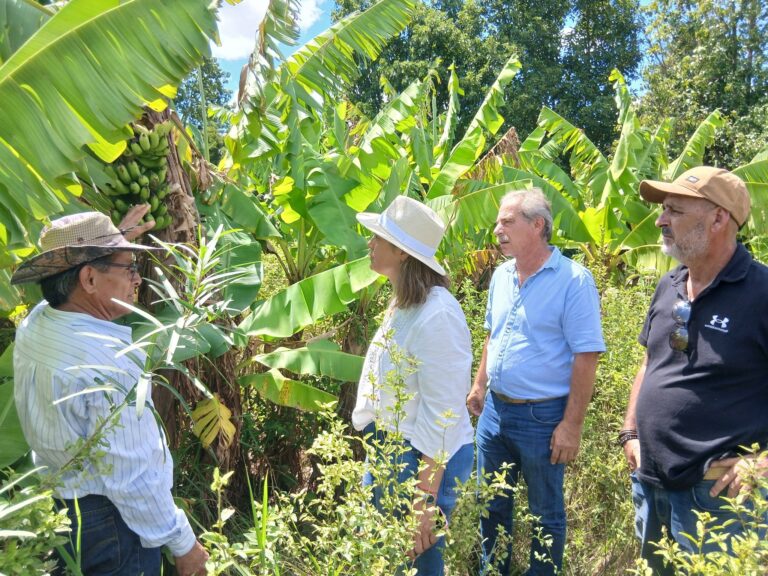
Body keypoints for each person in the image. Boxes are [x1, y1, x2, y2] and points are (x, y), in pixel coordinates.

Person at [12, 206, 208, 576]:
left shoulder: (38, 323)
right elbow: (131, 476)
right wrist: (184, 544)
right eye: (129, 269)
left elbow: (69, 288)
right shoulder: (107, 365)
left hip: (60, 512)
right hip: (111, 524)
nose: (137, 279)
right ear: (87, 279)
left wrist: (112, 248)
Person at [621, 166, 768, 574]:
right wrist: (630, 431)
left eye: (675, 210)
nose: (660, 220)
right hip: (650, 483)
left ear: (719, 218)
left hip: (717, 497)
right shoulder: (670, 284)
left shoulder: (761, 293)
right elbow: (650, 361)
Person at [466, 188, 605, 576]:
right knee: (491, 503)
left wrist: (571, 425)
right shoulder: (501, 276)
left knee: (545, 512)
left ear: (538, 225)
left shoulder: (573, 281)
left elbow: (586, 355)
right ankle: (492, 571)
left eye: (507, 221)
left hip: (542, 417)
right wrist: (480, 385)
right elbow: (492, 335)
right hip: (495, 412)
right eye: (498, 222)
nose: (497, 229)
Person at [352, 195, 475, 575]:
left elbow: (443, 414)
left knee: (416, 560)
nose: (370, 243)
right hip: (393, 449)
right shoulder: (406, 304)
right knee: (389, 558)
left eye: (379, 238)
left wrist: (424, 498)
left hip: (419, 460)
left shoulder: (438, 315)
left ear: (403, 253)